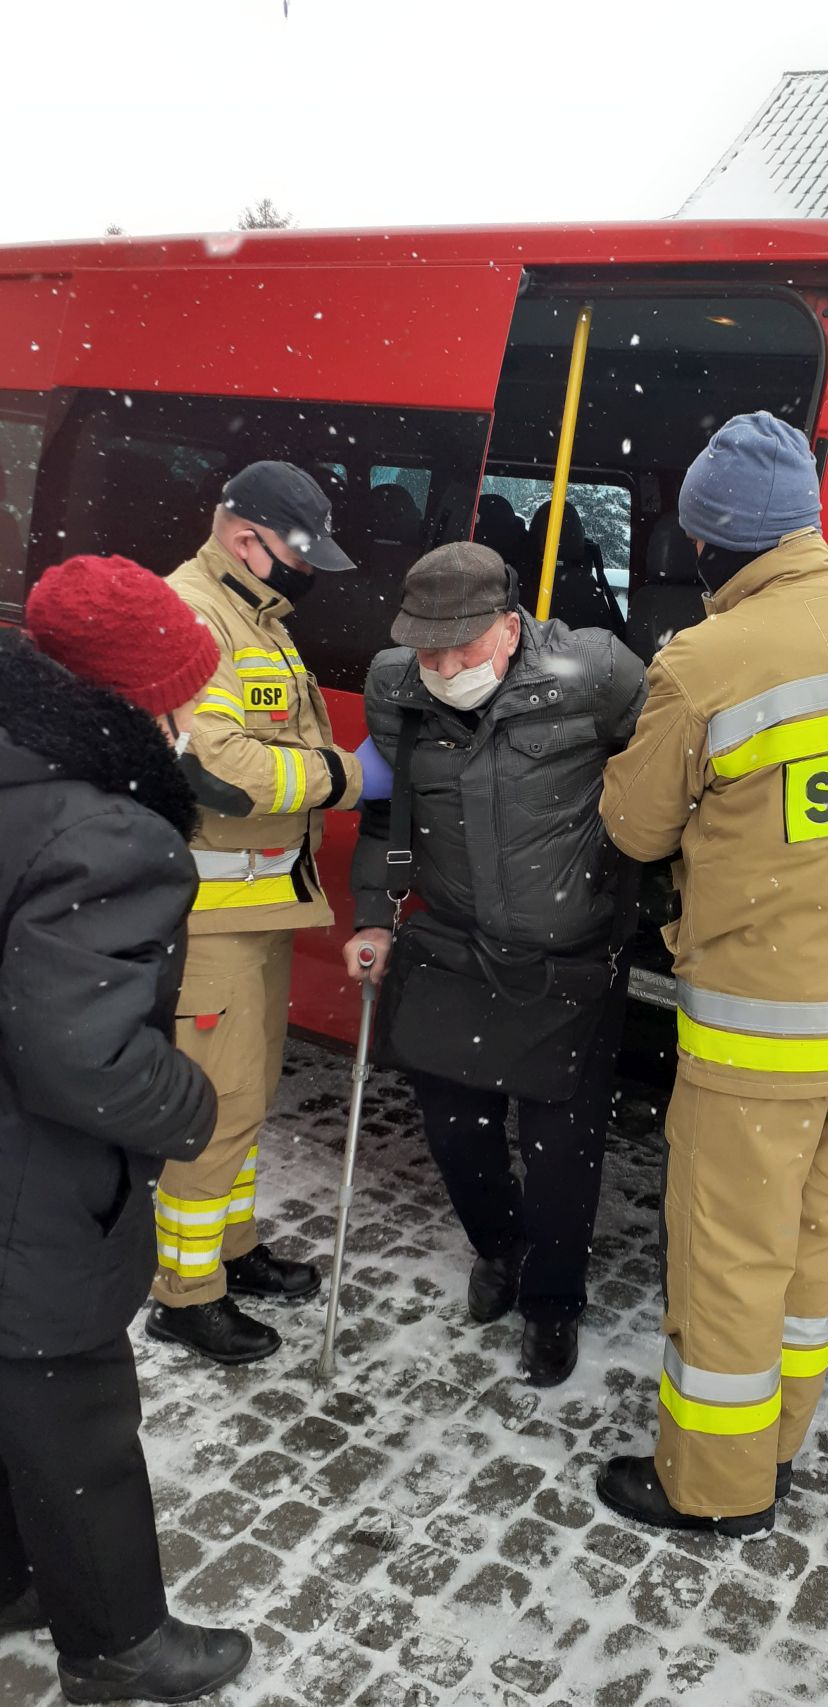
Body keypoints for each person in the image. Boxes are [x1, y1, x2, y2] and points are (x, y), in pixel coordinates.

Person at [594, 413, 828, 1534]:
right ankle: (781, 1442)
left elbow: (635, 827)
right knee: (811, 1248)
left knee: (730, 1261)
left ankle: (713, 1488)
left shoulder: (707, 661)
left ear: (707, 542)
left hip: (761, 1035)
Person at [1, 555, 250, 1702]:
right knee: (76, 1408)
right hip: (33, 1188)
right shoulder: (111, 835)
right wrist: (190, 1104)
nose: (189, 714)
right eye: (182, 692)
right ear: (135, 698)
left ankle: (14, 1573)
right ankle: (115, 1643)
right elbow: (82, 1053)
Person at [345, 541, 646, 1386]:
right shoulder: (394, 686)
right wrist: (372, 915)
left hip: (571, 955)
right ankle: (500, 1246)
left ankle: (553, 1301)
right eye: (427, 649)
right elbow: (383, 811)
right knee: (455, 1131)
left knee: (562, 1152)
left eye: (463, 647)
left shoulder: (595, 674)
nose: (444, 667)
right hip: (455, 943)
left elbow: (663, 766)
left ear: (510, 629)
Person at [145, 463, 363, 1366]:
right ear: (247, 541)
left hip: (258, 906)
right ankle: (185, 1294)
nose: (306, 575)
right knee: (213, 1106)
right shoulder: (195, 618)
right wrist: (347, 775)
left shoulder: (255, 617)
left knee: (248, 1094)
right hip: (209, 917)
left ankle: (230, 1251)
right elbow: (221, 769)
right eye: (298, 556)